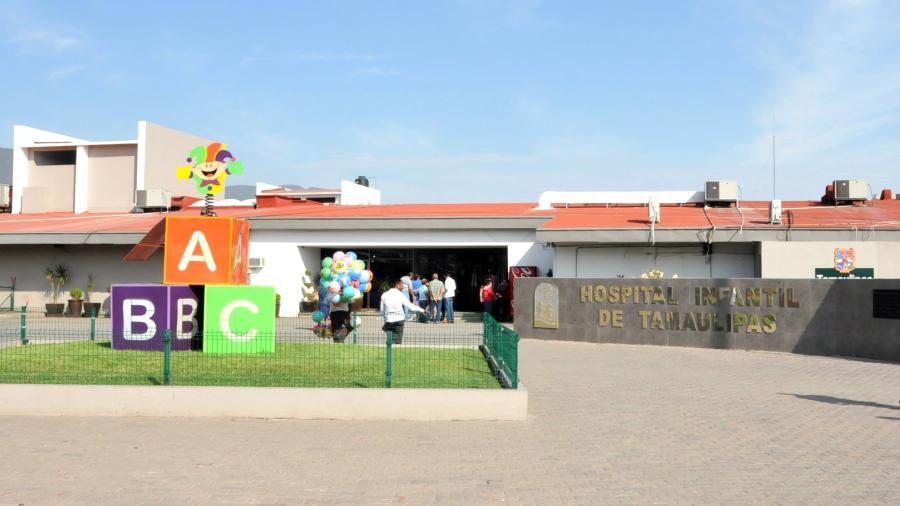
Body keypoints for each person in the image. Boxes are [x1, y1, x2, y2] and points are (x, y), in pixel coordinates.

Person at [380, 278, 425, 344]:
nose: (403, 287)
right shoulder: (401, 295)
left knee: (390, 338)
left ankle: (389, 349)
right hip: (399, 319)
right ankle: (396, 343)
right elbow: (411, 306)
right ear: (397, 285)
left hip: (389, 319)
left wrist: (385, 316)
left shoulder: (384, 295)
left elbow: (382, 309)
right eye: (401, 285)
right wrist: (422, 310)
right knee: (397, 341)